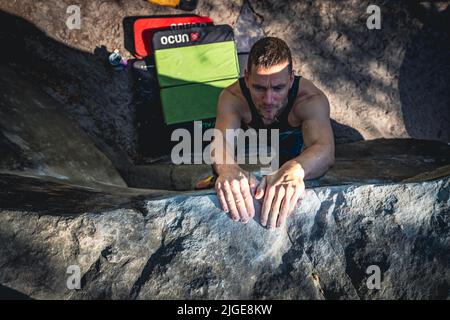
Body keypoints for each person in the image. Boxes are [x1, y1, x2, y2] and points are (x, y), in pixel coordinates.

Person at [211, 37, 335, 229]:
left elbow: (325, 150)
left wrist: (296, 169)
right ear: (247, 78)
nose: (268, 99)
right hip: (252, 156)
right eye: (259, 88)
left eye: (278, 88)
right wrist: (227, 169)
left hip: (290, 154)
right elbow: (221, 143)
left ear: (291, 79)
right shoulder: (233, 97)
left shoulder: (310, 99)